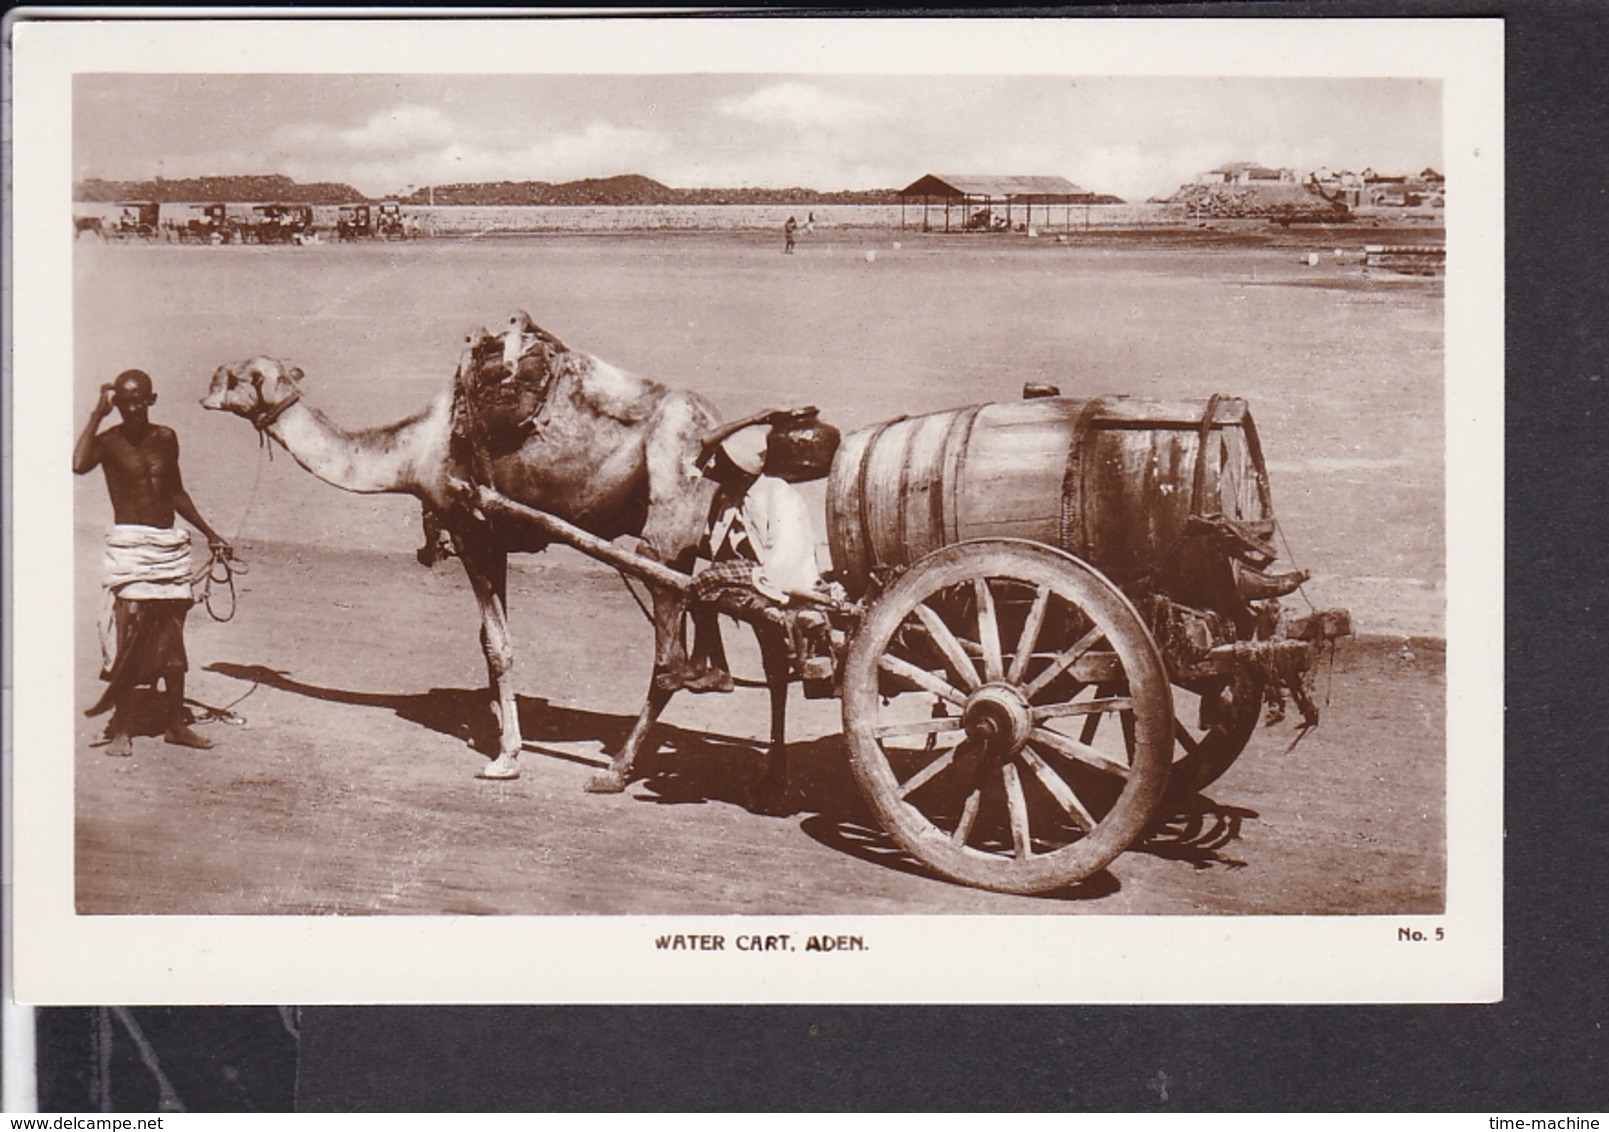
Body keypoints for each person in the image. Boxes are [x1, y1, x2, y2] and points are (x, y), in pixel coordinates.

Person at [73, 369, 230, 755]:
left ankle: (176, 725)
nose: (133, 407)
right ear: (117, 404)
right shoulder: (108, 442)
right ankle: (123, 728)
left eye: (140, 399)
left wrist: (211, 534)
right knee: (129, 637)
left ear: (152, 399)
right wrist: (97, 413)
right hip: (131, 549)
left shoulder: (166, 438)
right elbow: (78, 464)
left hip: (167, 548)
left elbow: (175, 492)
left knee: (173, 639)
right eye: (125, 401)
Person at [677, 425, 828, 692]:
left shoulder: (778, 493)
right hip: (750, 569)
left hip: (780, 572)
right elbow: (717, 538)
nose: (717, 470)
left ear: (741, 470)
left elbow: (789, 548)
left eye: (725, 465)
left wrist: (767, 583)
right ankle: (717, 667)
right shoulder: (732, 496)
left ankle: (705, 663)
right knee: (702, 589)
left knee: (703, 581)